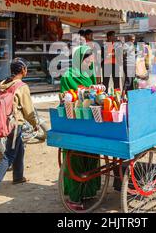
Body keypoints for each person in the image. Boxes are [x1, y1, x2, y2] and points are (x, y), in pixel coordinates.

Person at [0, 58, 37, 201]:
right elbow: (28, 110)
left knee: (18, 147)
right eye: (26, 68)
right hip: (15, 125)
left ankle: (18, 177)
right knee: (9, 155)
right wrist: (35, 123)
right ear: (22, 70)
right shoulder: (22, 86)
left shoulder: (3, 84)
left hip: (4, 123)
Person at [60, 45, 100, 210]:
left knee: (91, 156)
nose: (91, 60)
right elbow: (65, 99)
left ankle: (89, 191)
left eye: (91, 57)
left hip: (90, 121)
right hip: (74, 122)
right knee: (74, 160)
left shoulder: (91, 75)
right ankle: (75, 198)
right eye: (87, 57)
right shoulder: (67, 76)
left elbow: (96, 96)